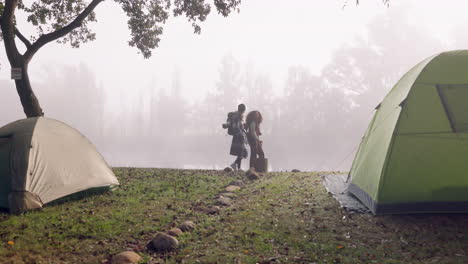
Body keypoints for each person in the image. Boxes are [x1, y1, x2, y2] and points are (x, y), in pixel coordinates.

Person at [229, 104, 248, 171]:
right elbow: (236, 127)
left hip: (238, 136)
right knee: (243, 152)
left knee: (240, 152)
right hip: (238, 137)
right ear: (243, 110)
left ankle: (238, 168)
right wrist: (241, 135)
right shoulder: (237, 116)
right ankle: (234, 164)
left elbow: (238, 126)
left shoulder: (238, 115)